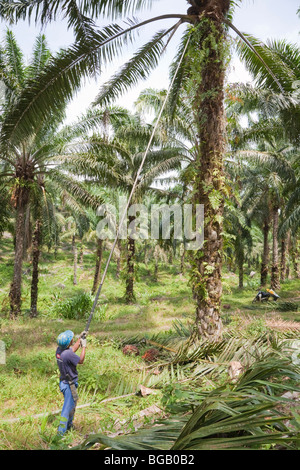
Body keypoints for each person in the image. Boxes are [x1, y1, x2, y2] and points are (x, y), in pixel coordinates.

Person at [56, 329, 87, 435]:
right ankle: (60, 434)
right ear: (69, 342)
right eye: (72, 339)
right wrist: (84, 346)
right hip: (69, 385)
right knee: (67, 408)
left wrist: (80, 338)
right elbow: (81, 360)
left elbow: (72, 349)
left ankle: (69, 425)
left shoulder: (60, 351)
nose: (73, 339)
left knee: (72, 404)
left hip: (64, 382)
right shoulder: (68, 354)